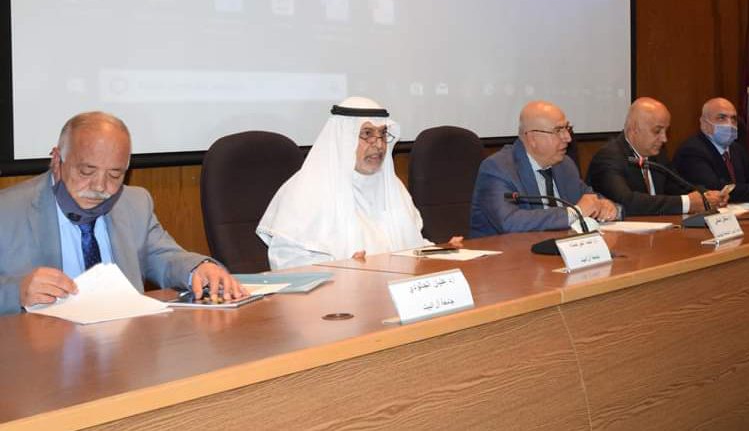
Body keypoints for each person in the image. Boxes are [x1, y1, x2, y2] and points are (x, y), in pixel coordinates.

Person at [0, 112, 246, 315]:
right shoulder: (8, 210)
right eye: (86, 171)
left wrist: (199, 269)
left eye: (115, 175)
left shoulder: (134, 203)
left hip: (121, 343)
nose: (100, 186)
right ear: (57, 160)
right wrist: (16, 292)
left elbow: (165, 257)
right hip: (43, 346)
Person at [257, 97, 439, 269]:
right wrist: (343, 270)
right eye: (367, 134)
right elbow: (288, 263)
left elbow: (412, 245)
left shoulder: (392, 186)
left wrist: (443, 252)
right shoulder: (306, 190)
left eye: (383, 134)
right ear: (344, 138)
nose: (379, 145)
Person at [469, 100, 618, 237]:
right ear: (532, 138)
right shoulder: (498, 168)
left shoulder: (565, 165)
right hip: (506, 254)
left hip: (558, 250)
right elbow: (509, 222)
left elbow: (589, 198)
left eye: (567, 128)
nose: (568, 137)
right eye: (558, 130)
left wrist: (607, 207)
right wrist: (574, 213)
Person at [587, 97, 727, 216]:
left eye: (666, 131)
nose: (664, 139)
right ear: (634, 129)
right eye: (657, 131)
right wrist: (686, 203)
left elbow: (679, 186)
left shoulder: (657, 155)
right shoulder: (609, 158)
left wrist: (708, 196)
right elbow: (627, 202)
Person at [674, 98, 749, 203]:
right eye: (721, 118)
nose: (729, 124)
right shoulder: (692, 151)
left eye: (733, 119)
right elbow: (717, 189)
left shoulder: (736, 149)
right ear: (704, 124)